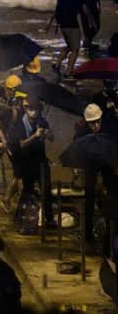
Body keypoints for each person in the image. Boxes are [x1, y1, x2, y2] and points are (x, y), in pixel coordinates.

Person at [8, 97, 55, 227]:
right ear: (26, 109)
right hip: (27, 162)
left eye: (36, 109)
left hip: (41, 161)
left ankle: (49, 218)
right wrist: (35, 136)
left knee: (46, 190)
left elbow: (52, 138)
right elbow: (21, 144)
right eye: (31, 109)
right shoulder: (19, 125)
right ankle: (19, 216)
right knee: (27, 190)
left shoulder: (42, 122)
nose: (33, 112)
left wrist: (47, 133)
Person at [74, 103, 111, 243]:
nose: (95, 126)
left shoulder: (109, 129)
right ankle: (88, 234)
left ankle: (108, 233)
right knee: (89, 199)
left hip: (108, 168)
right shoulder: (82, 133)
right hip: (90, 168)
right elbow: (76, 150)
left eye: (97, 122)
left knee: (108, 200)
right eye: (91, 123)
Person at [53, 0, 86, 79]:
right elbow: (83, 10)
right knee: (75, 49)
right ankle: (69, 71)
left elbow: (58, 9)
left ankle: (57, 64)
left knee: (70, 46)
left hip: (63, 26)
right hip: (72, 26)